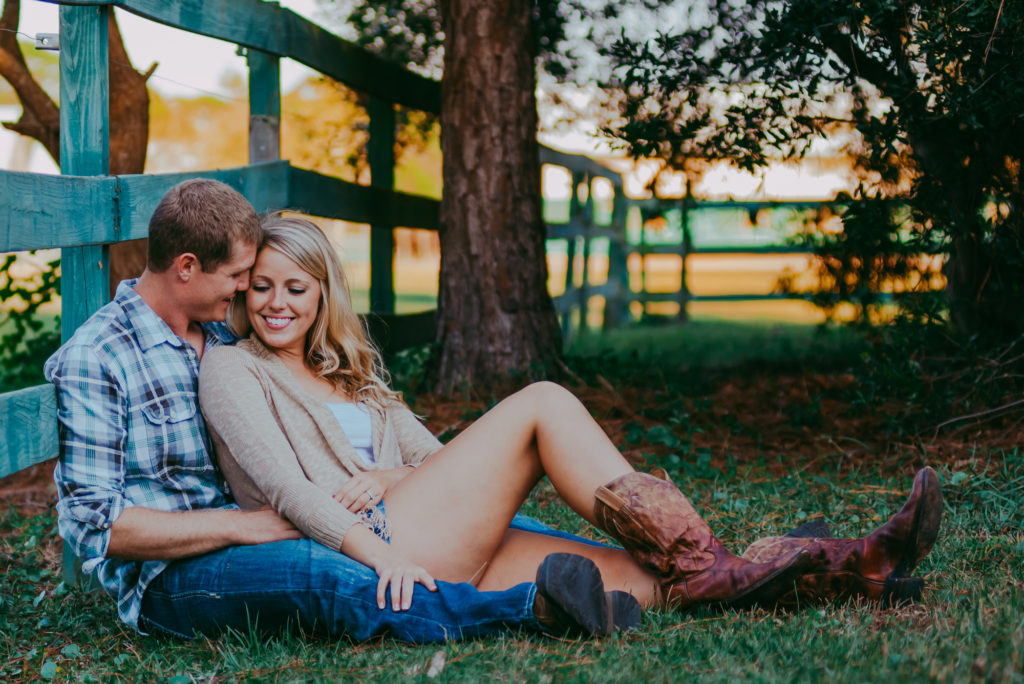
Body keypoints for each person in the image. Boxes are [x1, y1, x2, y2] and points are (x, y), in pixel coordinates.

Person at [197, 215, 945, 623]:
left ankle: (855, 568)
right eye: (260, 287)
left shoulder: (348, 372)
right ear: (242, 294)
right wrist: (382, 556)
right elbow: (288, 493)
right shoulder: (234, 369)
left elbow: (432, 461)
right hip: (375, 546)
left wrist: (390, 471)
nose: (276, 303)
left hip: (426, 523)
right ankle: (710, 557)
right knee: (545, 403)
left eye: (295, 286)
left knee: (644, 585)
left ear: (324, 294)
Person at [44, 179, 645, 643]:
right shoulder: (99, 356)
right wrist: (238, 525)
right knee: (326, 572)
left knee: (507, 530)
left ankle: (671, 573)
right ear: (186, 269)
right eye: (241, 279)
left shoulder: (221, 334)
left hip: (265, 528)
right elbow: (96, 525)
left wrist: (390, 478)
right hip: (169, 580)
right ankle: (526, 609)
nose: (248, 292)